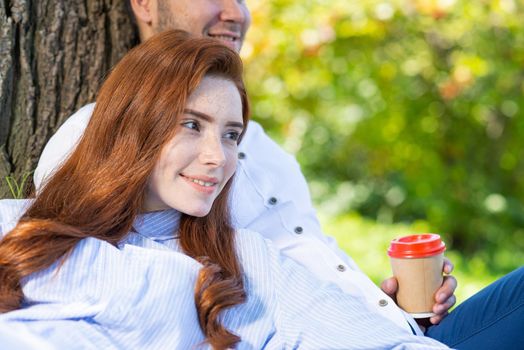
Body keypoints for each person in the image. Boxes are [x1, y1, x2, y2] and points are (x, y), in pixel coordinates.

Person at [0, 30, 450, 349]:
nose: (219, 157)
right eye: (192, 125)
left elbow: (378, 343)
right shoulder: (17, 227)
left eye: (231, 135)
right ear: (130, 128)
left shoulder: (244, 262)